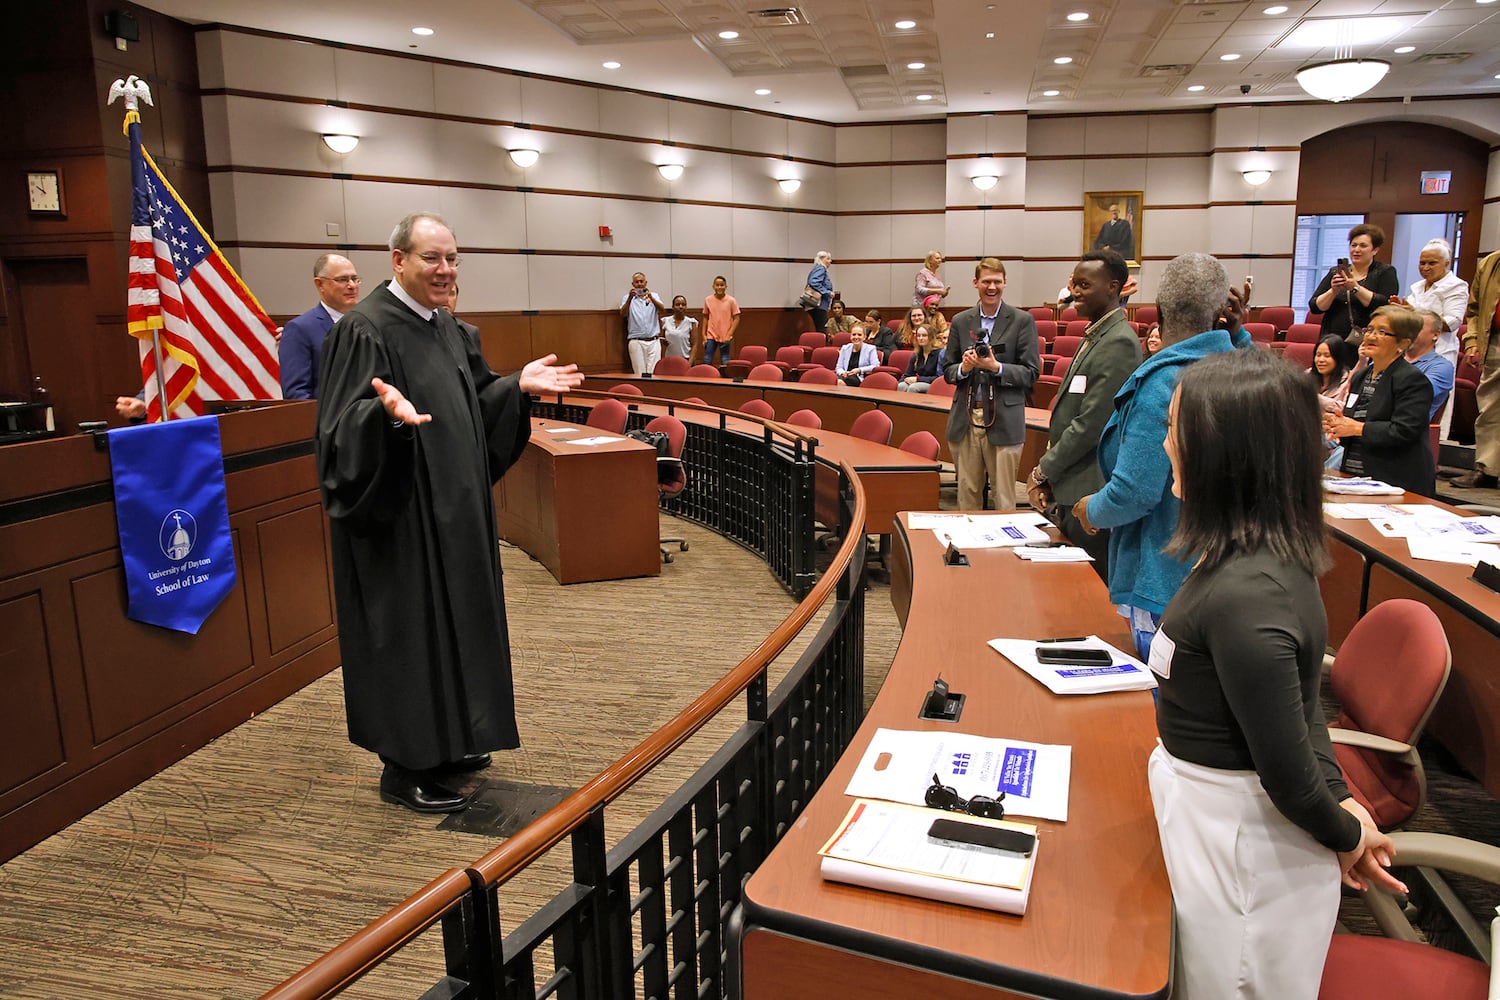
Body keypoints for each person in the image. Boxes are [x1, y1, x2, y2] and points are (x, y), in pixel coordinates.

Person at [1151, 347, 1404, 999]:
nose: (1166, 441)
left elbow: (1287, 773)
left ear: (1225, 455)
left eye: (1177, 427)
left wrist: (1344, 829)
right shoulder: (1262, 553)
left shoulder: (1248, 593)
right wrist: (1343, 800)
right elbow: (1303, 703)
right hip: (1216, 827)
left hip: (1239, 858)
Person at [315, 212, 584, 814]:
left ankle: (453, 741)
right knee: (411, 637)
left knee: (459, 626)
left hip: (457, 518)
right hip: (402, 522)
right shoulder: (365, 331)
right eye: (431, 258)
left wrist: (515, 386)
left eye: (452, 258)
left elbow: (478, 404)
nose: (445, 270)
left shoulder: (451, 330)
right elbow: (336, 434)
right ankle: (405, 765)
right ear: (398, 262)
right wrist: (382, 418)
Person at [1071, 253, 1252, 659]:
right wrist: (1238, 335)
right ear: (1224, 310)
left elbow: (1135, 491)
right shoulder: (1246, 373)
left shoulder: (1164, 381)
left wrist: (1090, 510)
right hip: (1229, 573)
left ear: (1158, 311)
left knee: (1162, 700)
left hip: (1165, 571)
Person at [1026, 250, 1142, 579]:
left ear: (1113, 287)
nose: (1074, 291)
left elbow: (1091, 424)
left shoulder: (1118, 342)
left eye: (1084, 285)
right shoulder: (1095, 335)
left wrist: (1043, 470)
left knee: (1087, 589)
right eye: (1073, 284)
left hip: (1090, 489)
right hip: (1072, 484)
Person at [942, 257, 1040, 510]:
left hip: (1005, 418)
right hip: (966, 417)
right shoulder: (962, 321)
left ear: (1005, 283)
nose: (992, 287)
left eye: (997, 281)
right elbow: (948, 371)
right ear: (976, 283)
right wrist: (964, 368)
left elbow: (1031, 373)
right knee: (968, 494)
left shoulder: (1021, 321)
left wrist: (996, 368)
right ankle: (969, 548)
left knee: (1004, 497)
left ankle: (1004, 549)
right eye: (986, 281)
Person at [1325, 306, 1435, 496]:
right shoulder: (1361, 376)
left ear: (1403, 343)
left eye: (1382, 332)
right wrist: (1337, 425)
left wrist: (1357, 428)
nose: (1370, 336)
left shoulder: (1412, 380)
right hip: (1354, 476)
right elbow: (1353, 422)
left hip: (1395, 480)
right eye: (1370, 330)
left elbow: (1404, 430)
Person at [280, 253, 361, 400]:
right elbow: (297, 394)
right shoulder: (299, 329)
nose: (352, 286)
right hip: (326, 420)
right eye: (342, 279)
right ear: (320, 284)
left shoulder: (366, 323)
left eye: (355, 279)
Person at [1308, 223, 1399, 340]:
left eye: (1363, 246)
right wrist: (1333, 291)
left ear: (1375, 250)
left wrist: (1355, 288)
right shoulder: (1336, 272)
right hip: (1333, 338)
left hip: (1367, 337)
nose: (1356, 250)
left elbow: (1383, 304)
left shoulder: (1385, 272)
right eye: (1353, 245)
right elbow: (1315, 307)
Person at [1456, 248, 1500, 489]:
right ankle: (1488, 470)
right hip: (1494, 341)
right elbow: (1474, 309)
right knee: (1491, 407)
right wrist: (1472, 341)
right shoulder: (1491, 263)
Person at [1403, 237, 1467, 367]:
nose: (1425, 268)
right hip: (1411, 350)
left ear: (1446, 263)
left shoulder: (1456, 286)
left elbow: (1452, 323)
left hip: (1439, 352)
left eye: (1432, 263)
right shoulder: (1417, 286)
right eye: (1422, 263)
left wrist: (1414, 314)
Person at [1407, 309, 1455, 422]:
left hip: (1404, 429)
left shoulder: (1442, 367)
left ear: (1435, 334)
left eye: (1416, 328)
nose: (1409, 332)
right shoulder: (1391, 356)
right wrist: (1362, 362)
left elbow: (1413, 395)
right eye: (1408, 327)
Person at [620, 271, 665, 376]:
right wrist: (630, 299)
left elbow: (662, 309)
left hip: (653, 341)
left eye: (641, 281)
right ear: (633, 284)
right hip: (636, 341)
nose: (639, 284)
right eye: (636, 282)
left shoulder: (654, 296)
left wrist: (652, 298)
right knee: (640, 373)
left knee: (653, 373)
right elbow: (623, 314)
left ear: (646, 283)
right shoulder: (627, 298)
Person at [702, 275, 740, 367]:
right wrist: (703, 335)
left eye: (722, 285)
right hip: (711, 334)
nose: (719, 287)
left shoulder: (731, 300)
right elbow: (705, 318)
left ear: (726, 286)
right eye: (717, 285)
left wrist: (729, 334)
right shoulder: (708, 300)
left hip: (725, 334)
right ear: (713, 286)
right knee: (707, 359)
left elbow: (736, 318)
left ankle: (725, 380)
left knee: (725, 359)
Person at [896, 325, 942, 392]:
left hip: (933, 384)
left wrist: (918, 379)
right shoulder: (916, 354)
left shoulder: (939, 353)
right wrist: (902, 380)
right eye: (918, 336)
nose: (920, 338)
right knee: (901, 385)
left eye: (924, 335)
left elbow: (939, 377)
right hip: (919, 381)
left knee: (913, 387)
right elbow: (908, 374)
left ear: (931, 337)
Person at [1311, 334, 1355, 403]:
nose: (1321, 360)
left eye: (1327, 356)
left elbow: (1344, 407)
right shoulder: (1306, 377)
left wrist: (1312, 397)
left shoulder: (1348, 382)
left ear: (1338, 358)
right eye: (1318, 355)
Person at [662, 295, 697, 361]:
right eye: (678, 304)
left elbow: (694, 345)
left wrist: (689, 363)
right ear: (673, 307)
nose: (680, 307)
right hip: (669, 359)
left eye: (683, 305)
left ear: (686, 307)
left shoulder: (691, 322)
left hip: (685, 359)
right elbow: (661, 340)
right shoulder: (665, 321)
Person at [805, 251, 833, 332]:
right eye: (828, 259)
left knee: (820, 327)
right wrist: (827, 292)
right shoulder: (821, 268)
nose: (830, 261)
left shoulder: (817, 268)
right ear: (821, 259)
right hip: (818, 304)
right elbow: (813, 281)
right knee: (822, 328)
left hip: (814, 304)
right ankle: (823, 344)